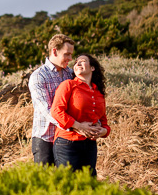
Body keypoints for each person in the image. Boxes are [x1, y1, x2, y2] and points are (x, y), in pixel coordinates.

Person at [29, 34, 88, 164]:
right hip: (46, 139)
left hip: (67, 138)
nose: (70, 58)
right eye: (67, 54)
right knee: (45, 181)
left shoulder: (71, 73)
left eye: (71, 54)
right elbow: (46, 110)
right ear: (54, 51)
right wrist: (75, 125)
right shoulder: (38, 76)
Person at [50, 54, 110, 178]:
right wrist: (78, 126)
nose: (77, 64)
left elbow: (104, 122)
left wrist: (102, 131)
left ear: (92, 68)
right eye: (76, 62)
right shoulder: (68, 85)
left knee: (88, 186)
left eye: (82, 61)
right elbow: (56, 111)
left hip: (90, 145)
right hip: (67, 143)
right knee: (68, 185)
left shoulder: (99, 93)